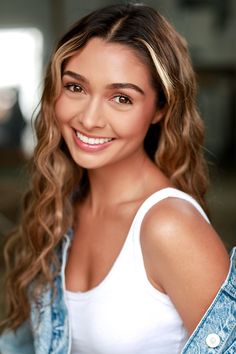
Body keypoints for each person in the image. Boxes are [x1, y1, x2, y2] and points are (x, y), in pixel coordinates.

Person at [0, 3, 235, 354]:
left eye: (121, 98)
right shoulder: (63, 208)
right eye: (76, 88)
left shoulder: (169, 225)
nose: (90, 118)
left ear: (160, 108)